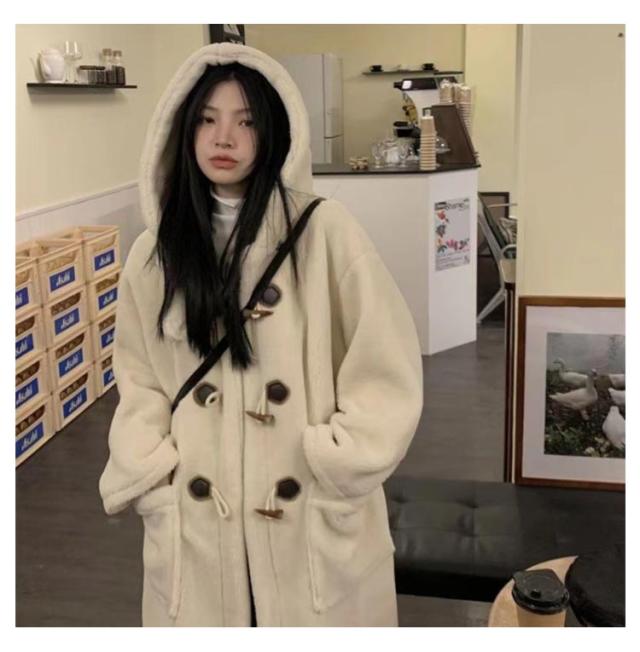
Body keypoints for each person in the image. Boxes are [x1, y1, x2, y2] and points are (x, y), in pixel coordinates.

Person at [98, 42, 423, 627]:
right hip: (198, 518)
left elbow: (385, 363)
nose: (224, 138)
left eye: (245, 122)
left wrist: (341, 460)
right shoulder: (155, 254)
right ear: (183, 130)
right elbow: (139, 377)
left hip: (307, 512)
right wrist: (150, 470)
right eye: (207, 120)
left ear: (273, 131)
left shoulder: (325, 233)